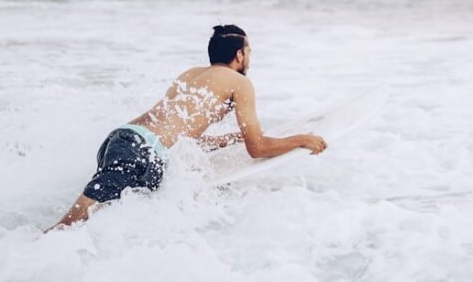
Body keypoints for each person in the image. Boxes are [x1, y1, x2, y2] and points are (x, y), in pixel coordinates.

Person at [48, 25, 328, 230]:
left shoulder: (191, 74)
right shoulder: (239, 82)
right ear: (240, 55)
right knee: (65, 228)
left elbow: (176, 138)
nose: (250, 57)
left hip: (121, 140)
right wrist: (300, 140)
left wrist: (224, 139)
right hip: (141, 152)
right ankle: (24, 255)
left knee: (100, 225)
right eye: (250, 51)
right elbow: (257, 148)